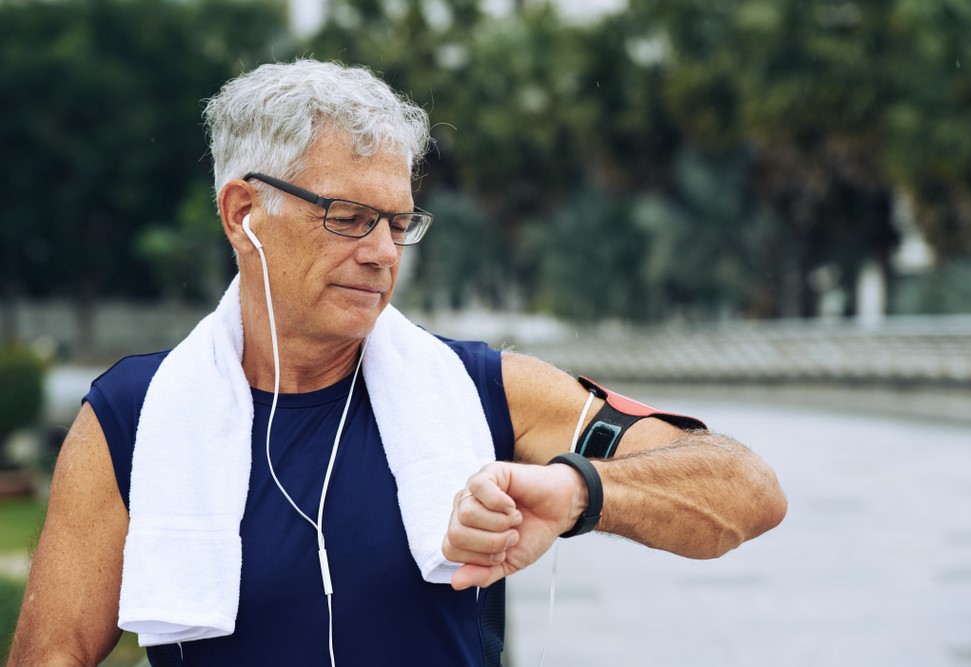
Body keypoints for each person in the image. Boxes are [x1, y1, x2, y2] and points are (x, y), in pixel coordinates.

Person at [9, 59, 786, 667]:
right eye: (348, 218)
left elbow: (748, 491)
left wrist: (579, 489)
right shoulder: (132, 416)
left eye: (399, 222)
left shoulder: (485, 394)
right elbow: (52, 652)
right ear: (244, 213)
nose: (382, 253)